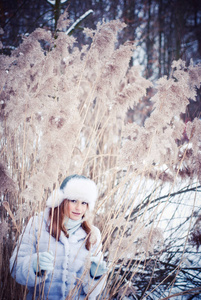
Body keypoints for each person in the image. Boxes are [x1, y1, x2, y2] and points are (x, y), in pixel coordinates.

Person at [10, 174, 107, 300]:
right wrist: (34, 265)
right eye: (73, 201)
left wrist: (96, 276)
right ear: (61, 200)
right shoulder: (38, 224)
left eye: (84, 203)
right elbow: (15, 268)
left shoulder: (92, 234)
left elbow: (92, 292)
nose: (79, 208)